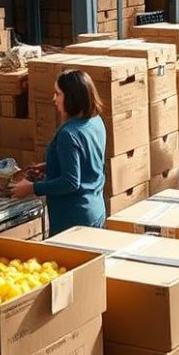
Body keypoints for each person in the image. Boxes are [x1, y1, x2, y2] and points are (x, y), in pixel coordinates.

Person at [11, 69, 107, 233]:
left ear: (71, 97)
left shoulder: (68, 134)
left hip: (72, 220)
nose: (54, 99)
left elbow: (70, 182)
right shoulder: (96, 121)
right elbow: (86, 160)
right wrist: (50, 165)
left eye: (58, 94)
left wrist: (33, 188)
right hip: (95, 210)